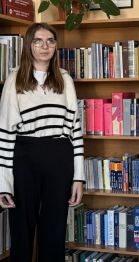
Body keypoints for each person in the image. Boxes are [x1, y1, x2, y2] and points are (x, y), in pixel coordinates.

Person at [0, 23, 85, 262]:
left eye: (50, 40)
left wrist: (78, 177)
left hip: (59, 156)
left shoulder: (65, 79)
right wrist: (4, 184)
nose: (45, 46)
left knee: (54, 231)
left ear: (56, 46)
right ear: (29, 45)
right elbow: (5, 133)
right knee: (21, 232)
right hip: (24, 157)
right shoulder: (14, 79)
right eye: (38, 41)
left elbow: (75, 131)